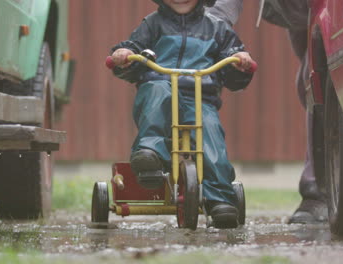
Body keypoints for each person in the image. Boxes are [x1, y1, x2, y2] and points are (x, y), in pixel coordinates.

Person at [109, 0, 256, 228]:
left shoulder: (217, 27)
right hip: (161, 88)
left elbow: (233, 57)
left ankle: (219, 199)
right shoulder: (152, 23)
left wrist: (240, 62)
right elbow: (133, 49)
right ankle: (150, 154)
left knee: (211, 135)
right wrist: (124, 55)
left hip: (200, 98)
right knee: (157, 93)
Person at [207, 0, 328, 224]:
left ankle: (319, 187)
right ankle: (319, 187)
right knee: (310, 77)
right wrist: (207, 25)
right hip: (297, 9)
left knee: (315, 73)